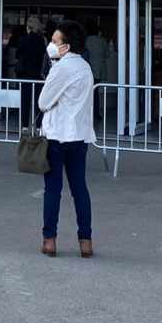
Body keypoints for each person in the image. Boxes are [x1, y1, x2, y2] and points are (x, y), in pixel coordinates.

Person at [37, 20, 96, 258]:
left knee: (53, 189)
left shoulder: (61, 69)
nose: (51, 45)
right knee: (79, 189)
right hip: (79, 137)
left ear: (65, 46)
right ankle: (86, 241)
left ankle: (49, 239)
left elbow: (43, 102)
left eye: (54, 41)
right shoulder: (85, 67)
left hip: (57, 137)